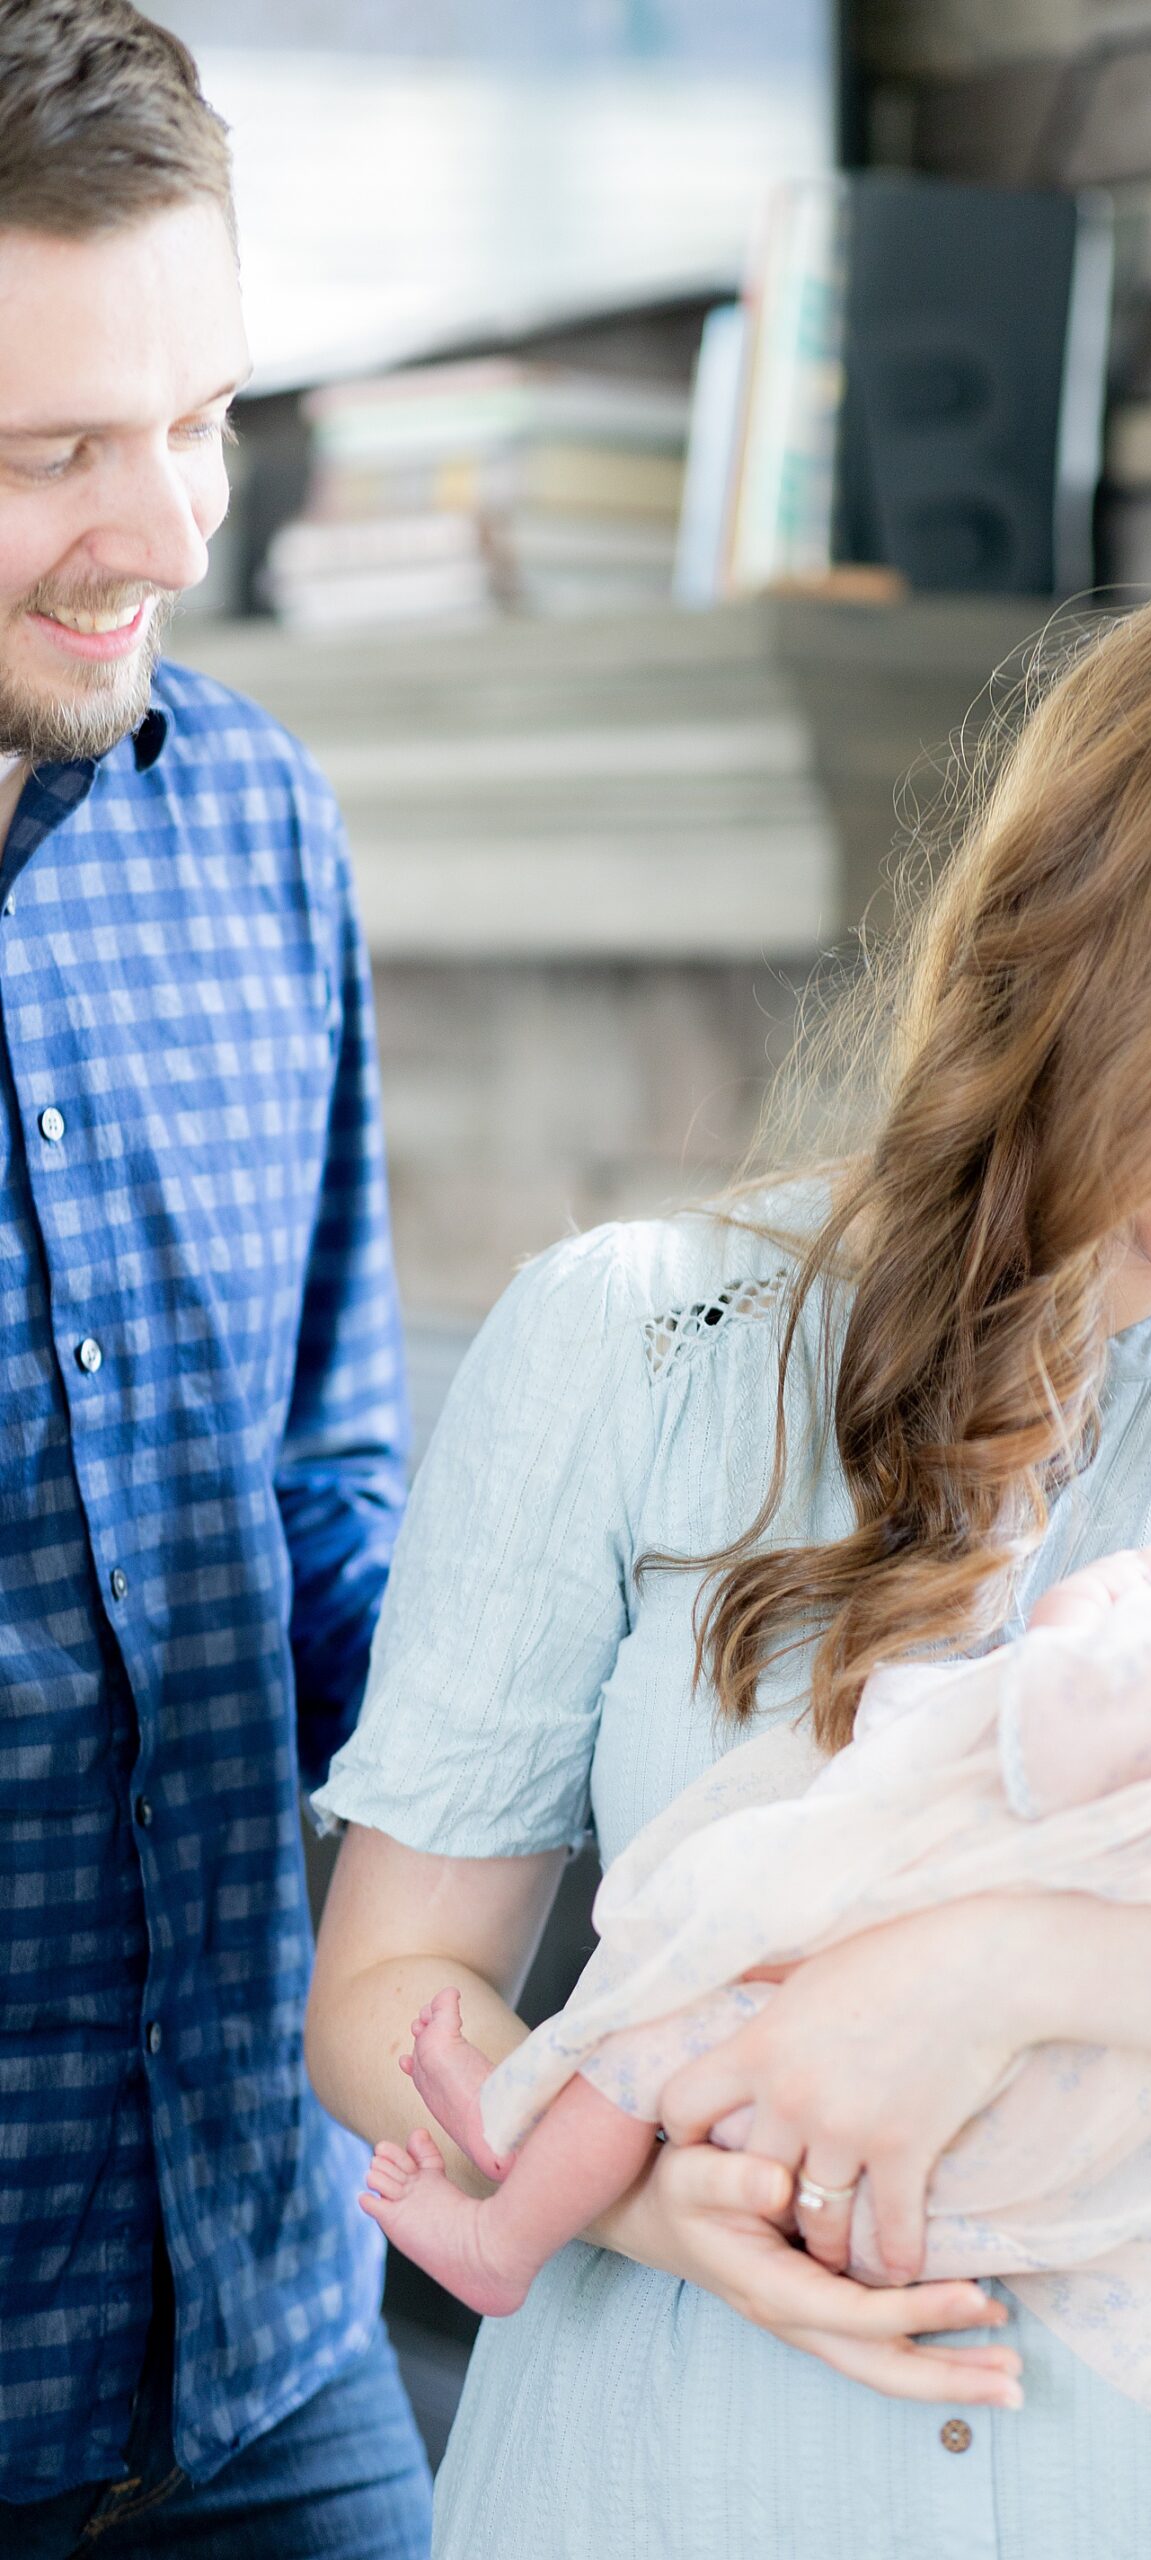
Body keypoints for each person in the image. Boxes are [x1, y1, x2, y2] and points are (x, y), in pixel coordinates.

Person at [307, 564, 1151, 2560]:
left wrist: (977, 1976)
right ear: (1102, 957)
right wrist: (639, 2196)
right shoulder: (626, 1340)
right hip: (703, 2477)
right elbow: (385, 1989)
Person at [353, 1497, 1151, 2447]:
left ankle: (501, 2229)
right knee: (679, 2060)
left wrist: (1103, 1605)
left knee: (655, 2037)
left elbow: (1051, 1716)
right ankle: (532, 2141)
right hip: (1008, 2148)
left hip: (875, 1990)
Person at [0, 6, 431, 2552]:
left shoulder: (261, 830)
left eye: (204, 419)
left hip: (270, 2334)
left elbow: (316, 1485)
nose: (163, 532)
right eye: (53, 449)